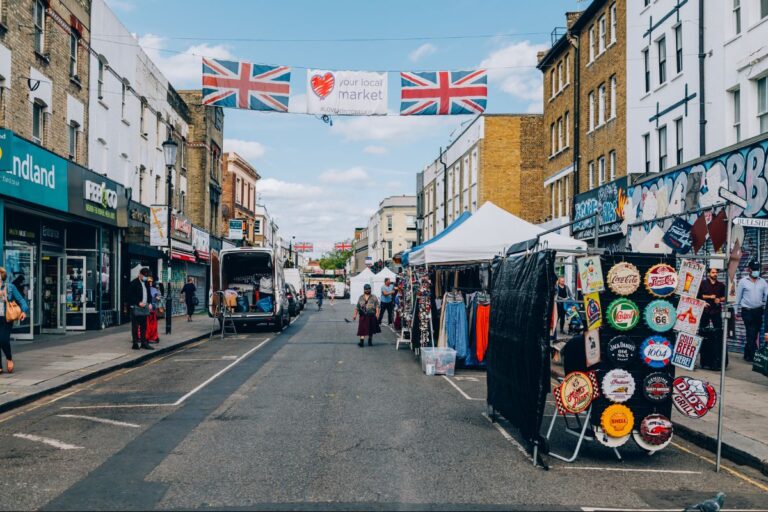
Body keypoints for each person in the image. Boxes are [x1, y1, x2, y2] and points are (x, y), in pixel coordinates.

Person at [735, 261, 768, 362]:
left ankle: (747, 354)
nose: (756, 271)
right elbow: (738, 297)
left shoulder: (763, 282)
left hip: (759, 311)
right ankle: (755, 357)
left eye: (757, 269)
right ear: (749, 269)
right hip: (747, 311)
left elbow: (767, 296)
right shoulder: (743, 281)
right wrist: (735, 311)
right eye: (754, 269)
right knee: (750, 332)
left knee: (754, 333)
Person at [0, 267, 29, 374]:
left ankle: (9, 358)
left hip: (6, 318)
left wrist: (24, 311)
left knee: (3, 340)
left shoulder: (10, 287)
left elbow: (21, 300)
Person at [127, 268, 154, 350]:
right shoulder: (133, 283)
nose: (146, 278)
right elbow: (129, 296)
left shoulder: (146, 283)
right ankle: (135, 344)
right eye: (145, 276)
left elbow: (148, 294)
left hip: (144, 307)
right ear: (140, 274)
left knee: (144, 326)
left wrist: (149, 303)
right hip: (136, 307)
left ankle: (144, 343)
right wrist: (138, 302)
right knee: (135, 326)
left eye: (147, 276)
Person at [145, 276, 160, 343]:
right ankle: (148, 336)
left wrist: (157, 298)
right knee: (148, 324)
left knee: (152, 324)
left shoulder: (153, 289)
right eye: (149, 282)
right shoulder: (146, 289)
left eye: (151, 281)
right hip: (147, 309)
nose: (150, 283)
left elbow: (158, 297)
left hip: (152, 309)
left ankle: (153, 336)